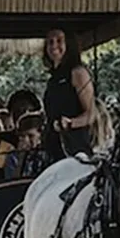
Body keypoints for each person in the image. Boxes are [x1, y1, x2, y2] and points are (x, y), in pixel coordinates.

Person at [41, 28, 96, 161]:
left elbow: (92, 114)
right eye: (50, 42)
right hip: (54, 147)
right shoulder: (52, 79)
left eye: (59, 41)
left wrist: (70, 123)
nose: (54, 46)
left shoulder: (78, 73)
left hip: (76, 149)